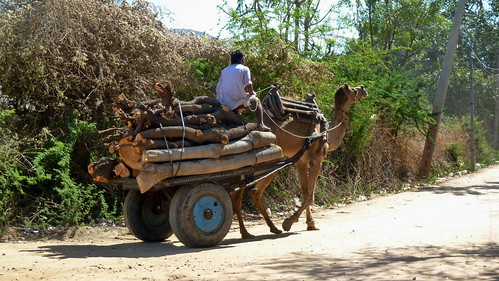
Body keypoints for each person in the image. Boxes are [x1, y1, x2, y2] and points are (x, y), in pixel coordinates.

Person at [216, 50, 271, 132]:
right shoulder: (244, 69)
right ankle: (261, 124)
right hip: (237, 103)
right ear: (241, 60)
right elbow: (248, 84)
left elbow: (218, 88)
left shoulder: (224, 70)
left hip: (224, 102)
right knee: (257, 101)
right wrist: (252, 94)